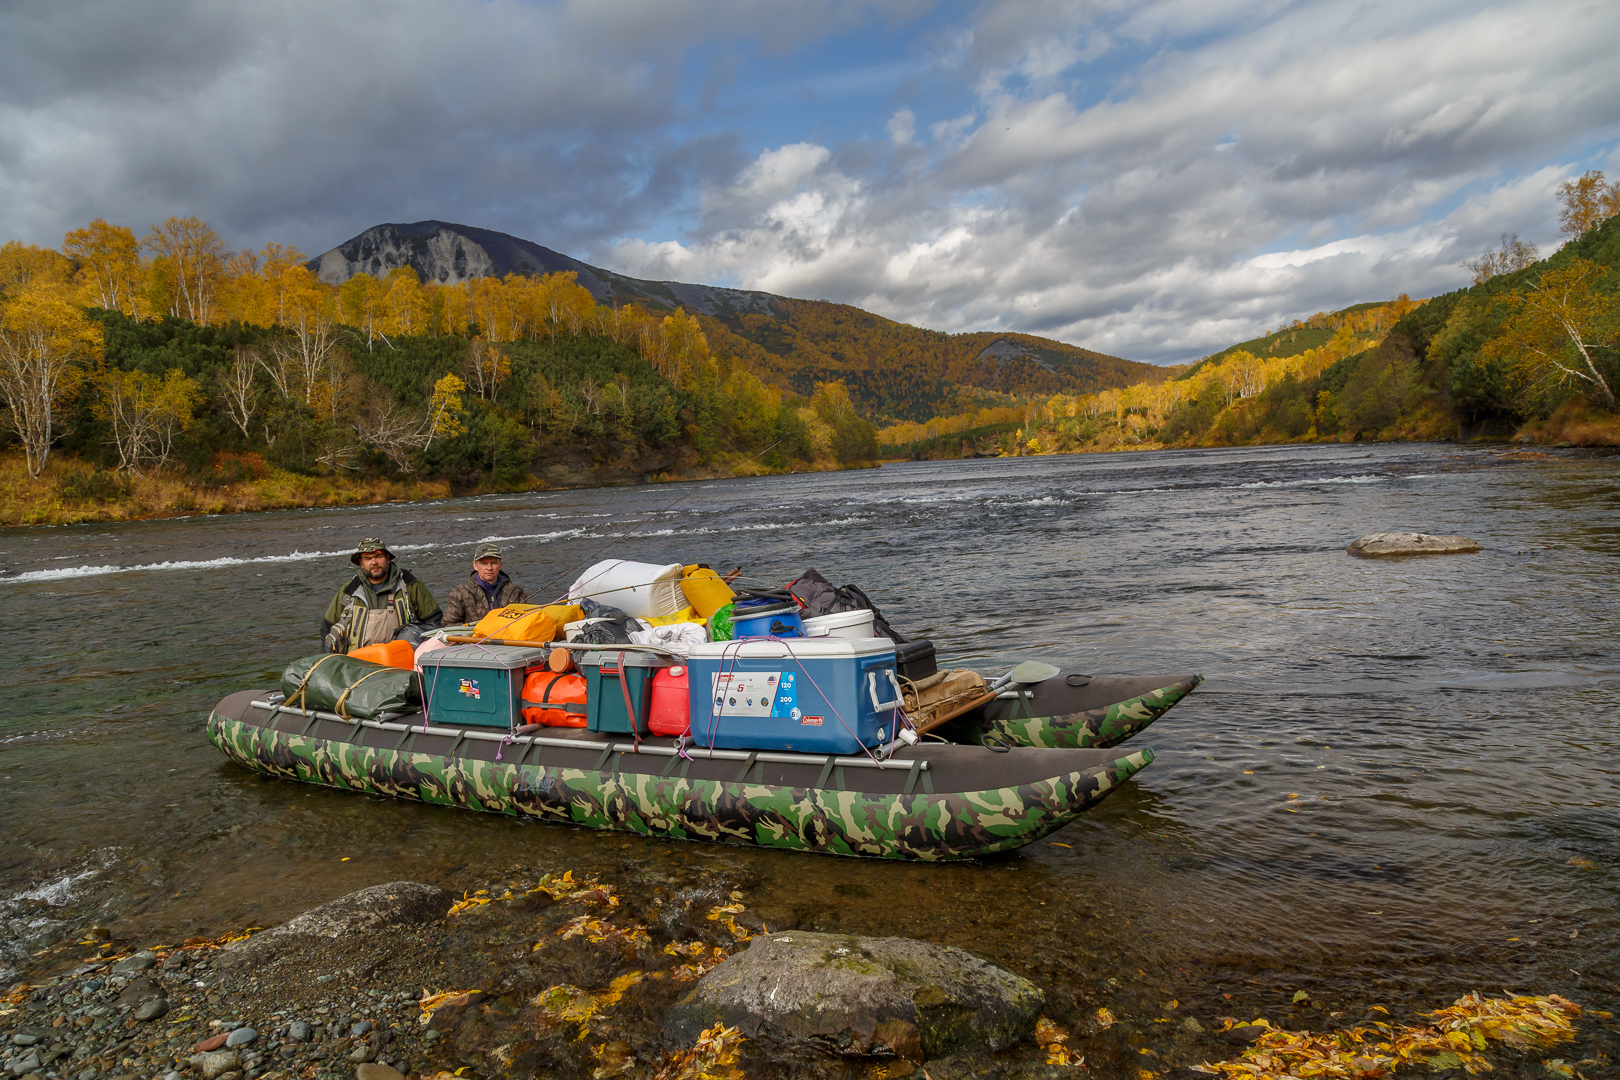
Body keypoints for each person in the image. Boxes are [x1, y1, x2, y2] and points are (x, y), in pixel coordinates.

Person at [320, 537, 443, 653]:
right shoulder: (348, 591)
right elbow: (327, 629)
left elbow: (435, 622)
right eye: (367, 558)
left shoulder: (410, 585)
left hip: (401, 663)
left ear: (388, 558)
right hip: (357, 667)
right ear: (361, 563)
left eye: (378, 556)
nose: (374, 562)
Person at [442, 543, 529, 626]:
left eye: (493, 563)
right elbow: (448, 624)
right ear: (475, 565)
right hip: (476, 639)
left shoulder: (516, 591)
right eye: (484, 563)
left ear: (500, 565)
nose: (489, 568)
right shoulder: (459, 593)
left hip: (510, 638)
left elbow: (528, 618)